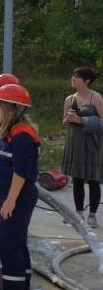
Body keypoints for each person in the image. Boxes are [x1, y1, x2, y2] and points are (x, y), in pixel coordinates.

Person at [0, 84, 40, 290]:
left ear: (9, 108)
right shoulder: (11, 132)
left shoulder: (23, 136)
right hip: (9, 196)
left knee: (8, 245)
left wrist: (10, 201)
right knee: (16, 244)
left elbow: (21, 171)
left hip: (17, 198)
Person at [61, 66, 103, 229]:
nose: (73, 78)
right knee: (77, 178)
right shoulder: (69, 99)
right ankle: (78, 213)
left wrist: (83, 120)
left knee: (93, 179)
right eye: (73, 76)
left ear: (87, 81)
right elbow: (64, 121)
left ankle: (92, 214)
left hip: (92, 144)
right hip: (75, 143)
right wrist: (69, 118)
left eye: (77, 76)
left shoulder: (96, 98)